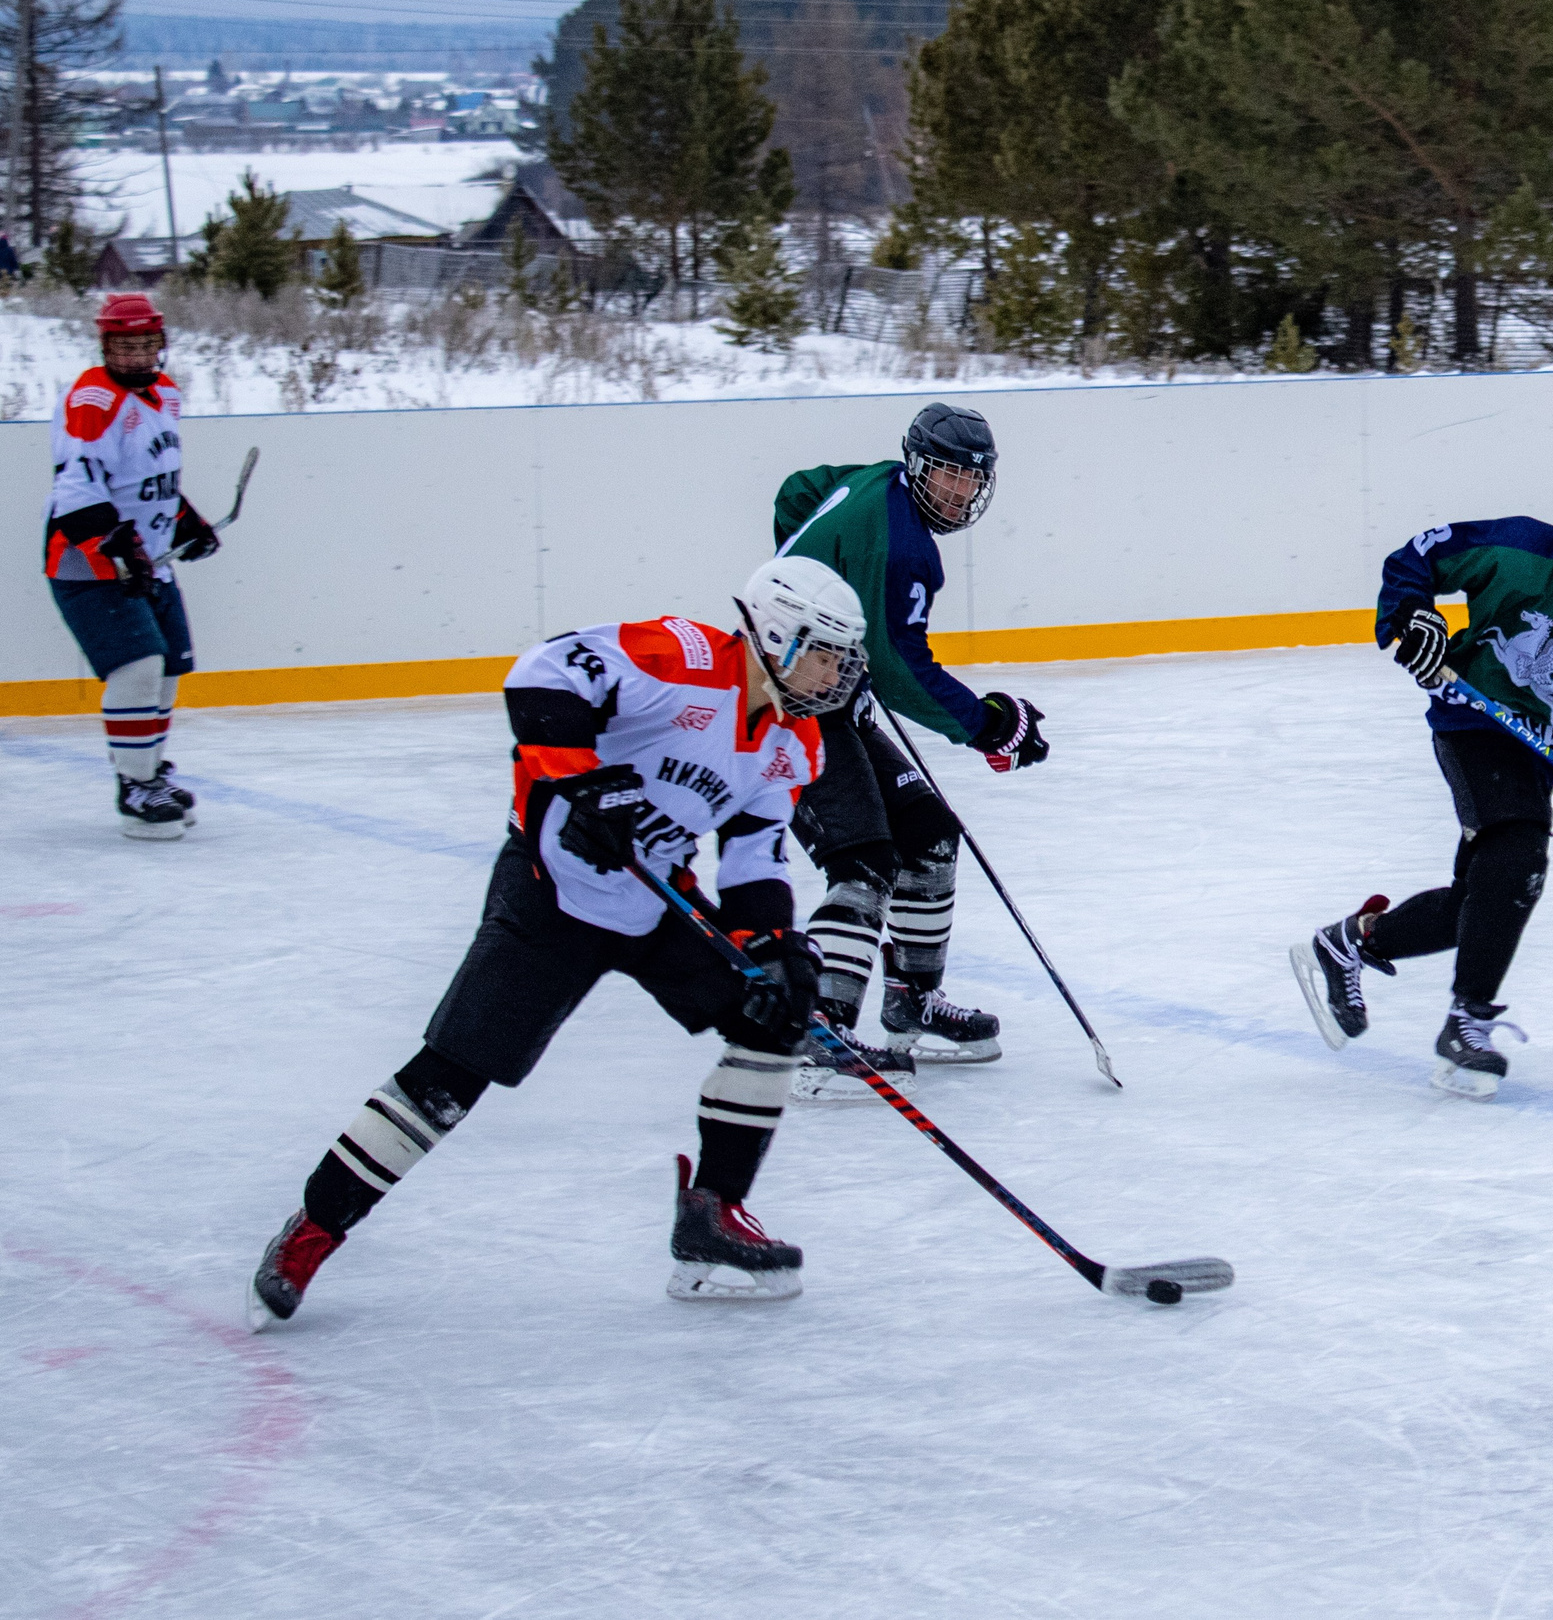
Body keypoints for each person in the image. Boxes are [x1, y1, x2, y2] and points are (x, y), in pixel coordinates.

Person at [246, 557, 865, 1329]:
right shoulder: (682, 657)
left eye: (843, 656)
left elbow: (752, 856)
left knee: (773, 1013)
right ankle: (312, 1231)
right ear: (779, 633)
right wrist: (584, 783)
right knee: (451, 1077)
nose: (836, 671)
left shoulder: (791, 742)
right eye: (827, 650)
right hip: (553, 892)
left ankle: (712, 1218)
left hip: (652, 896)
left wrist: (771, 941)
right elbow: (542, 677)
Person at [1292, 451, 1553, 1099]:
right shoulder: (1516, 547)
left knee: (1481, 901)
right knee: (1522, 855)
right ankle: (1467, 1021)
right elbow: (1414, 559)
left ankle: (1351, 943)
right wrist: (1413, 617)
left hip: (1541, 750)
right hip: (1472, 719)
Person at [769, 403, 1047, 1097]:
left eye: (970, 479)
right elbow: (899, 667)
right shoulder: (906, 549)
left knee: (929, 834)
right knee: (864, 859)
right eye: (947, 475)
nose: (958, 491)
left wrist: (808, 587)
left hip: (830, 690)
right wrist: (987, 724)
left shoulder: (869, 482)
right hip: (786, 709)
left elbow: (797, 494)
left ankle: (912, 1001)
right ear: (918, 464)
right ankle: (823, 1027)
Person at [43, 292, 220, 838]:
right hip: (91, 562)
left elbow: (148, 478)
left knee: (166, 670)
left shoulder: (165, 394)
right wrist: (116, 547)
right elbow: (76, 485)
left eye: (147, 344)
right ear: (106, 346)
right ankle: (135, 785)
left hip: (150, 562)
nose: (137, 355)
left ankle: (147, 773)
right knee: (138, 667)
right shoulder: (92, 397)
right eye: (124, 346)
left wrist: (186, 520)